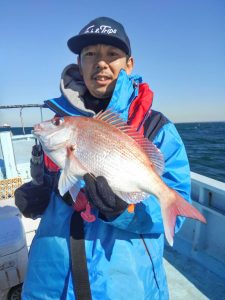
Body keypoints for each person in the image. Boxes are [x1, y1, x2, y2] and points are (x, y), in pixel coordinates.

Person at [15, 16, 191, 300]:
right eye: (90, 54)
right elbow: (57, 184)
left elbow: (175, 209)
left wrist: (123, 211)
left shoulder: (157, 129)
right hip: (51, 281)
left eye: (112, 54)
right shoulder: (60, 125)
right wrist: (39, 195)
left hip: (123, 287)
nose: (101, 62)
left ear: (129, 64)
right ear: (79, 63)